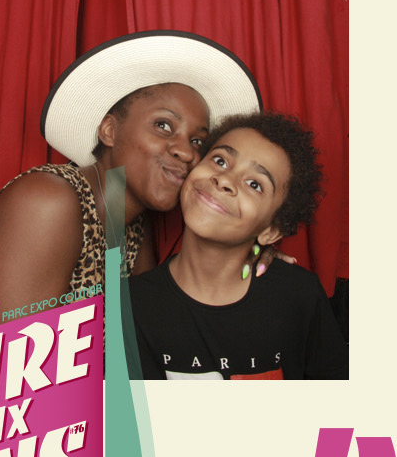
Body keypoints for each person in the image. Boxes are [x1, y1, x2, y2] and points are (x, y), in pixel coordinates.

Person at [0, 29, 262, 335]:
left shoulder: (132, 224)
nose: (187, 153)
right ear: (109, 131)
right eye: (163, 126)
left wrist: (240, 256)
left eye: (197, 141)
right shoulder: (46, 201)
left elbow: (155, 329)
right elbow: (16, 363)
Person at [129, 111, 349, 379]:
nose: (225, 180)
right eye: (220, 160)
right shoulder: (130, 306)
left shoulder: (300, 296)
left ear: (271, 231)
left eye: (255, 184)